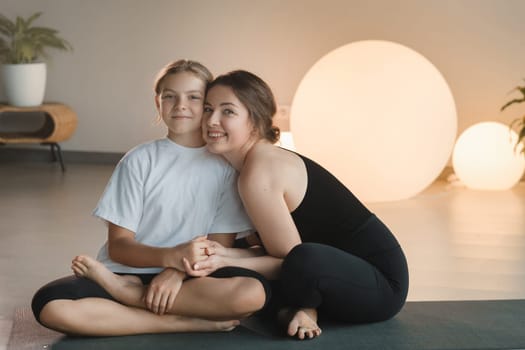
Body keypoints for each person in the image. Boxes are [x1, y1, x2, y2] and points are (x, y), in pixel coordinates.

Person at [30, 60, 270, 336]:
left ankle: (131, 307)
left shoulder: (225, 167)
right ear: (158, 104)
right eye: (170, 96)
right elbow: (119, 246)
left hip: (192, 278)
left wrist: (177, 271)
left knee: (252, 294)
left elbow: (217, 247)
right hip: (125, 272)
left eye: (194, 97)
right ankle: (180, 322)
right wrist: (170, 257)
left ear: (208, 105)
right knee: (52, 307)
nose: (180, 105)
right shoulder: (139, 160)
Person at [191, 70, 409, 340]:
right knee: (231, 261)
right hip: (322, 271)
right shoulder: (242, 166)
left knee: (291, 261)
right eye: (208, 109)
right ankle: (296, 310)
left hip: (379, 285)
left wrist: (223, 258)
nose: (212, 120)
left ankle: (301, 308)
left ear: (255, 122)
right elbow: (272, 253)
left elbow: (290, 261)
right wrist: (225, 256)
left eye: (228, 112)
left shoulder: (259, 171)